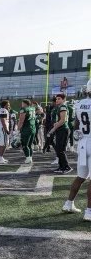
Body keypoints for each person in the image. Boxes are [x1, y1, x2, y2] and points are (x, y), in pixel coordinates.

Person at [62, 79, 91, 221]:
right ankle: (89, 211)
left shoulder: (79, 104)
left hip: (83, 143)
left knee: (81, 176)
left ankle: (69, 203)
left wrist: (78, 136)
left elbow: (76, 124)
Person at [47, 93, 72, 174]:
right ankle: (61, 166)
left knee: (60, 150)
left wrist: (53, 129)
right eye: (56, 99)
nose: (57, 100)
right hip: (60, 129)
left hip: (63, 129)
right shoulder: (58, 107)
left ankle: (67, 167)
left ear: (64, 100)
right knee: (58, 149)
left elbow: (62, 120)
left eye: (59, 99)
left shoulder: (63, 107)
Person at [18, 99, 36, 164]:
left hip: (26, 128)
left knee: (25, 145)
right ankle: (30, 158)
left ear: (25, 103)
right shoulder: (32, 108)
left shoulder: (24, 109)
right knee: (30, 145)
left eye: (22, 103)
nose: (21, 104)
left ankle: (28, 158)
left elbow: (21, 120)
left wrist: (18, 129)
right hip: (33, 128)